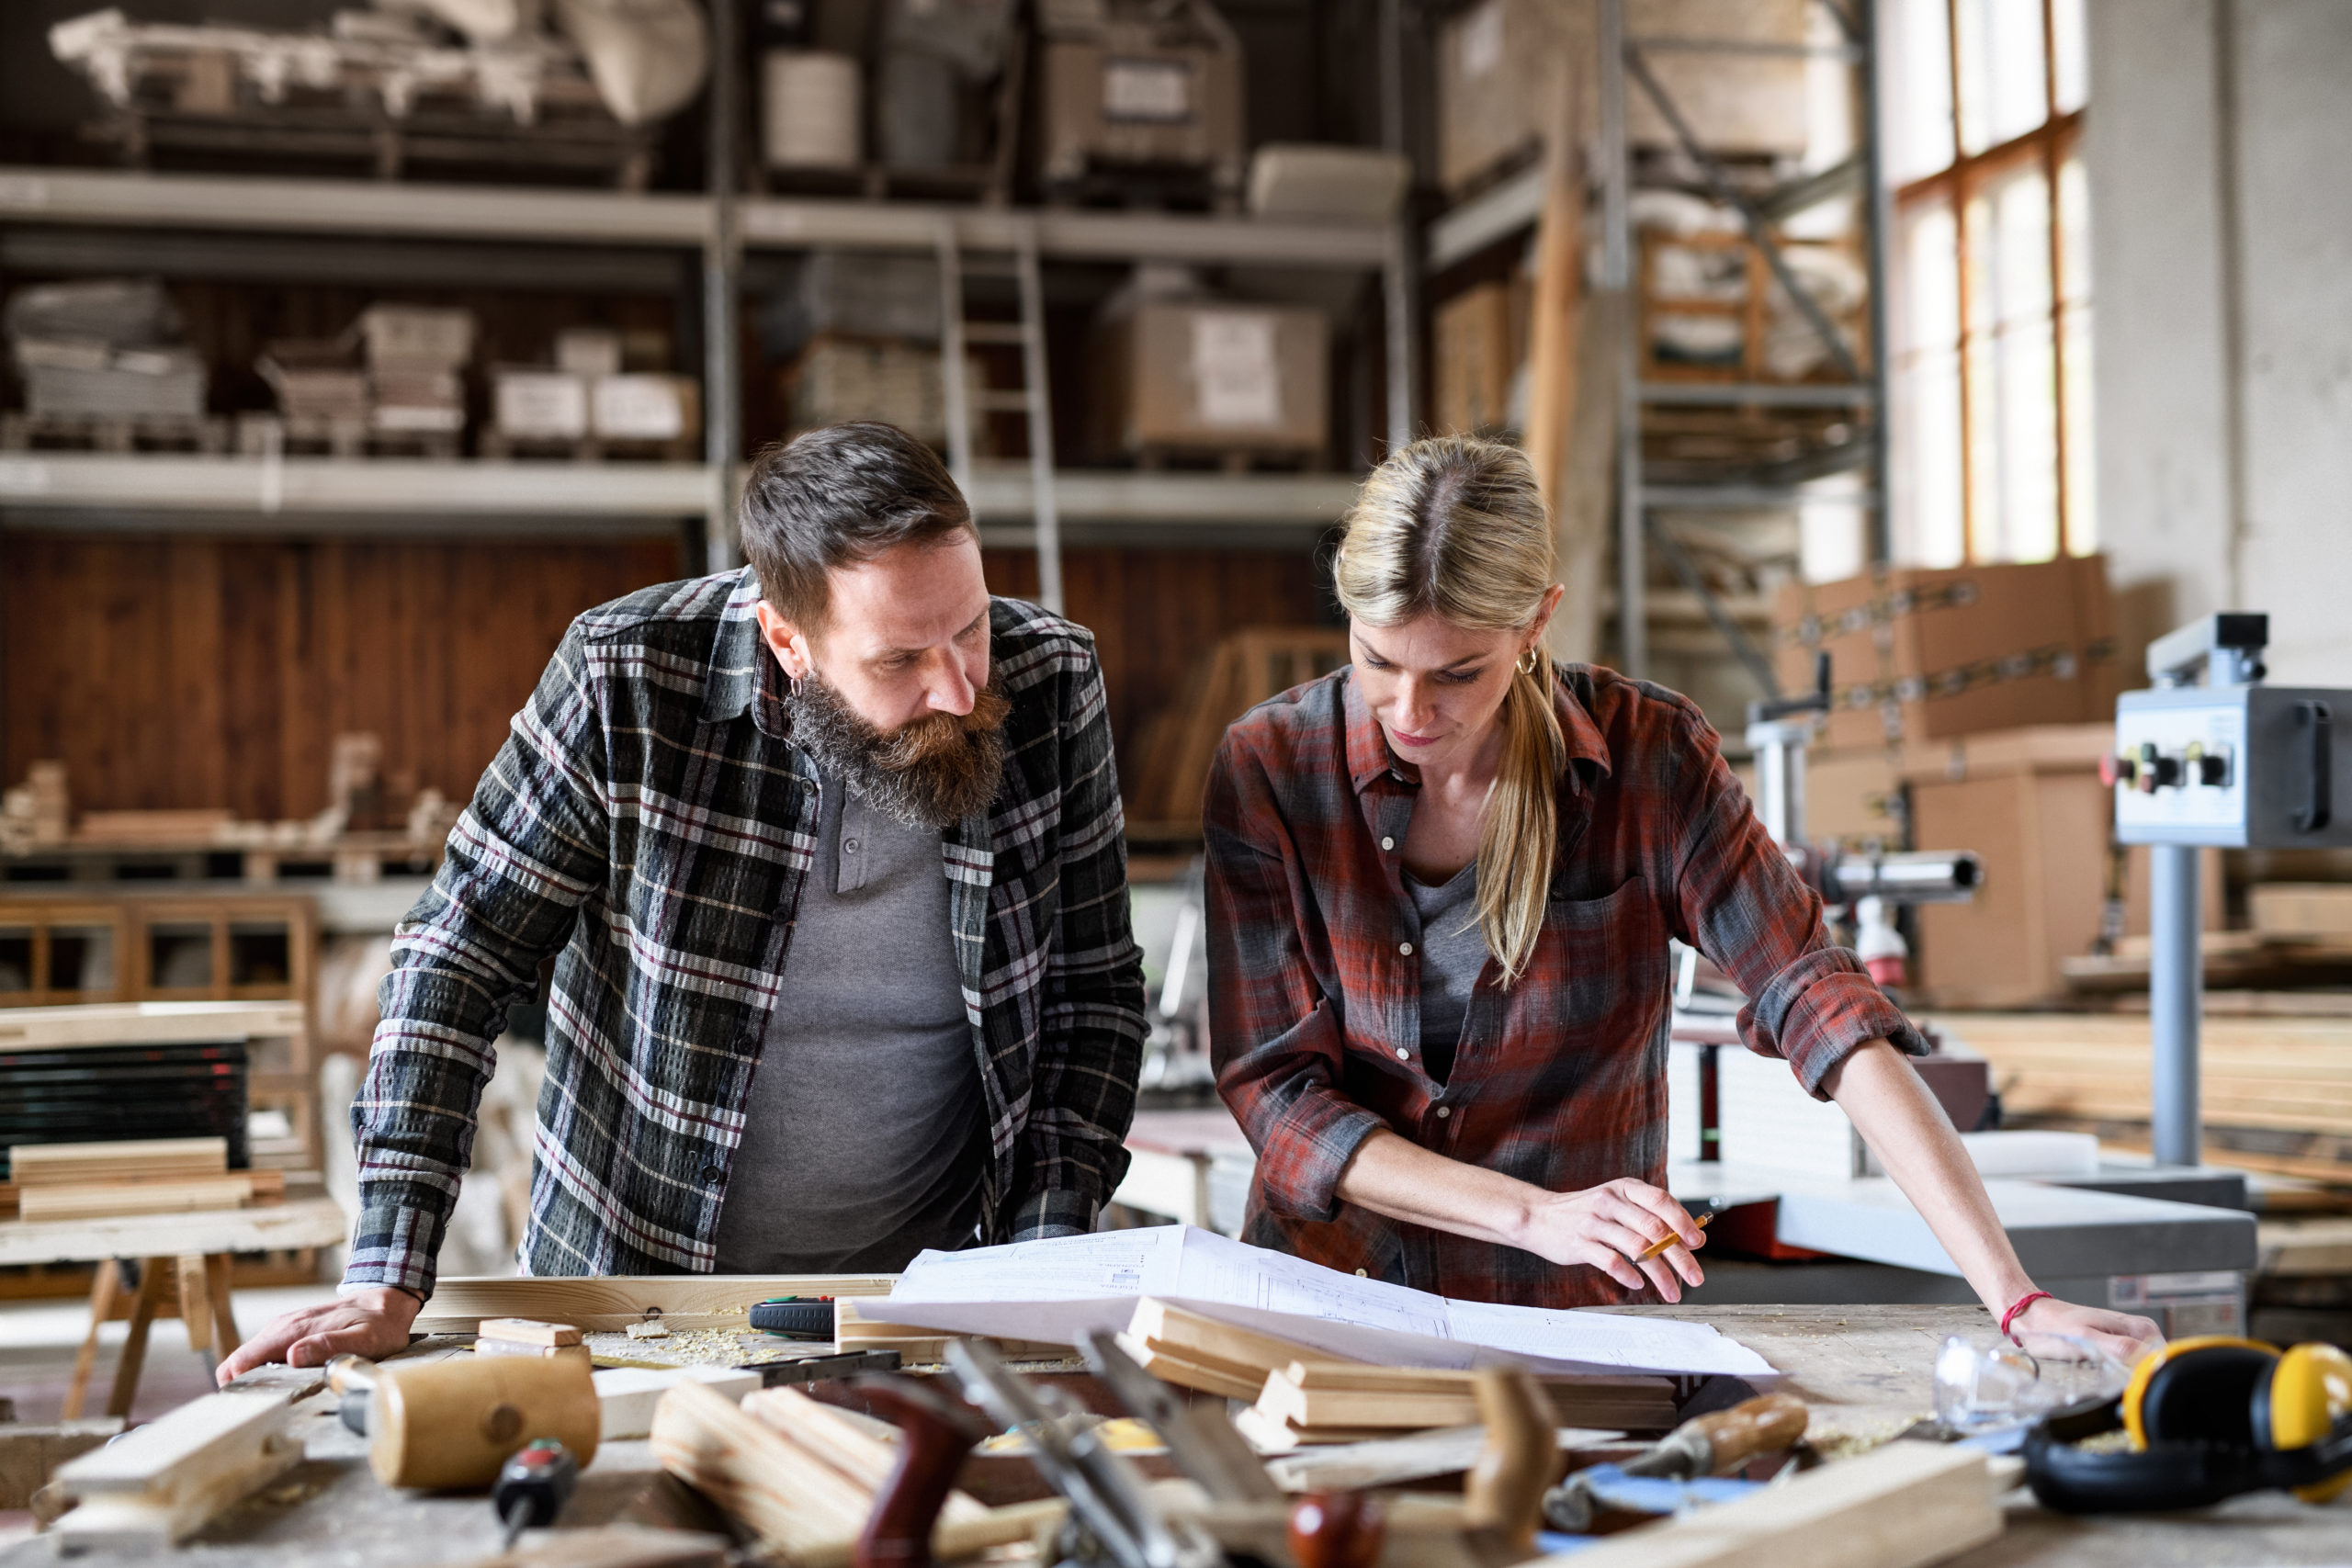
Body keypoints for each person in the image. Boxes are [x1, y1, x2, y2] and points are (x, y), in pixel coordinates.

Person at [1204, 434, 2161, 1363]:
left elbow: (1816, 1003)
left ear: (1538, 621)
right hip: (1329, 1309)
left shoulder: (1648, 757)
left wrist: (2014, 1296)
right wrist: (1532, 1214)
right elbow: (1280, 1100)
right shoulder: (1273, 770)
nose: (1412, 712)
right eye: (1378, 661)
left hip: (1568, 1332)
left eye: (1458, 674)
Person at [221, 423, 1147, 1381]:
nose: (956, 688)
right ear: (787, 642)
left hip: (928, 1297)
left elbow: (1092, 998)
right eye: (897, 661)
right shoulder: (625, 678)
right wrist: (386, 1271)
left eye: (970, 628)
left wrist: (1040, 1259)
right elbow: (457, 955)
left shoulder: (1051, 678)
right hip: (639, 1302)